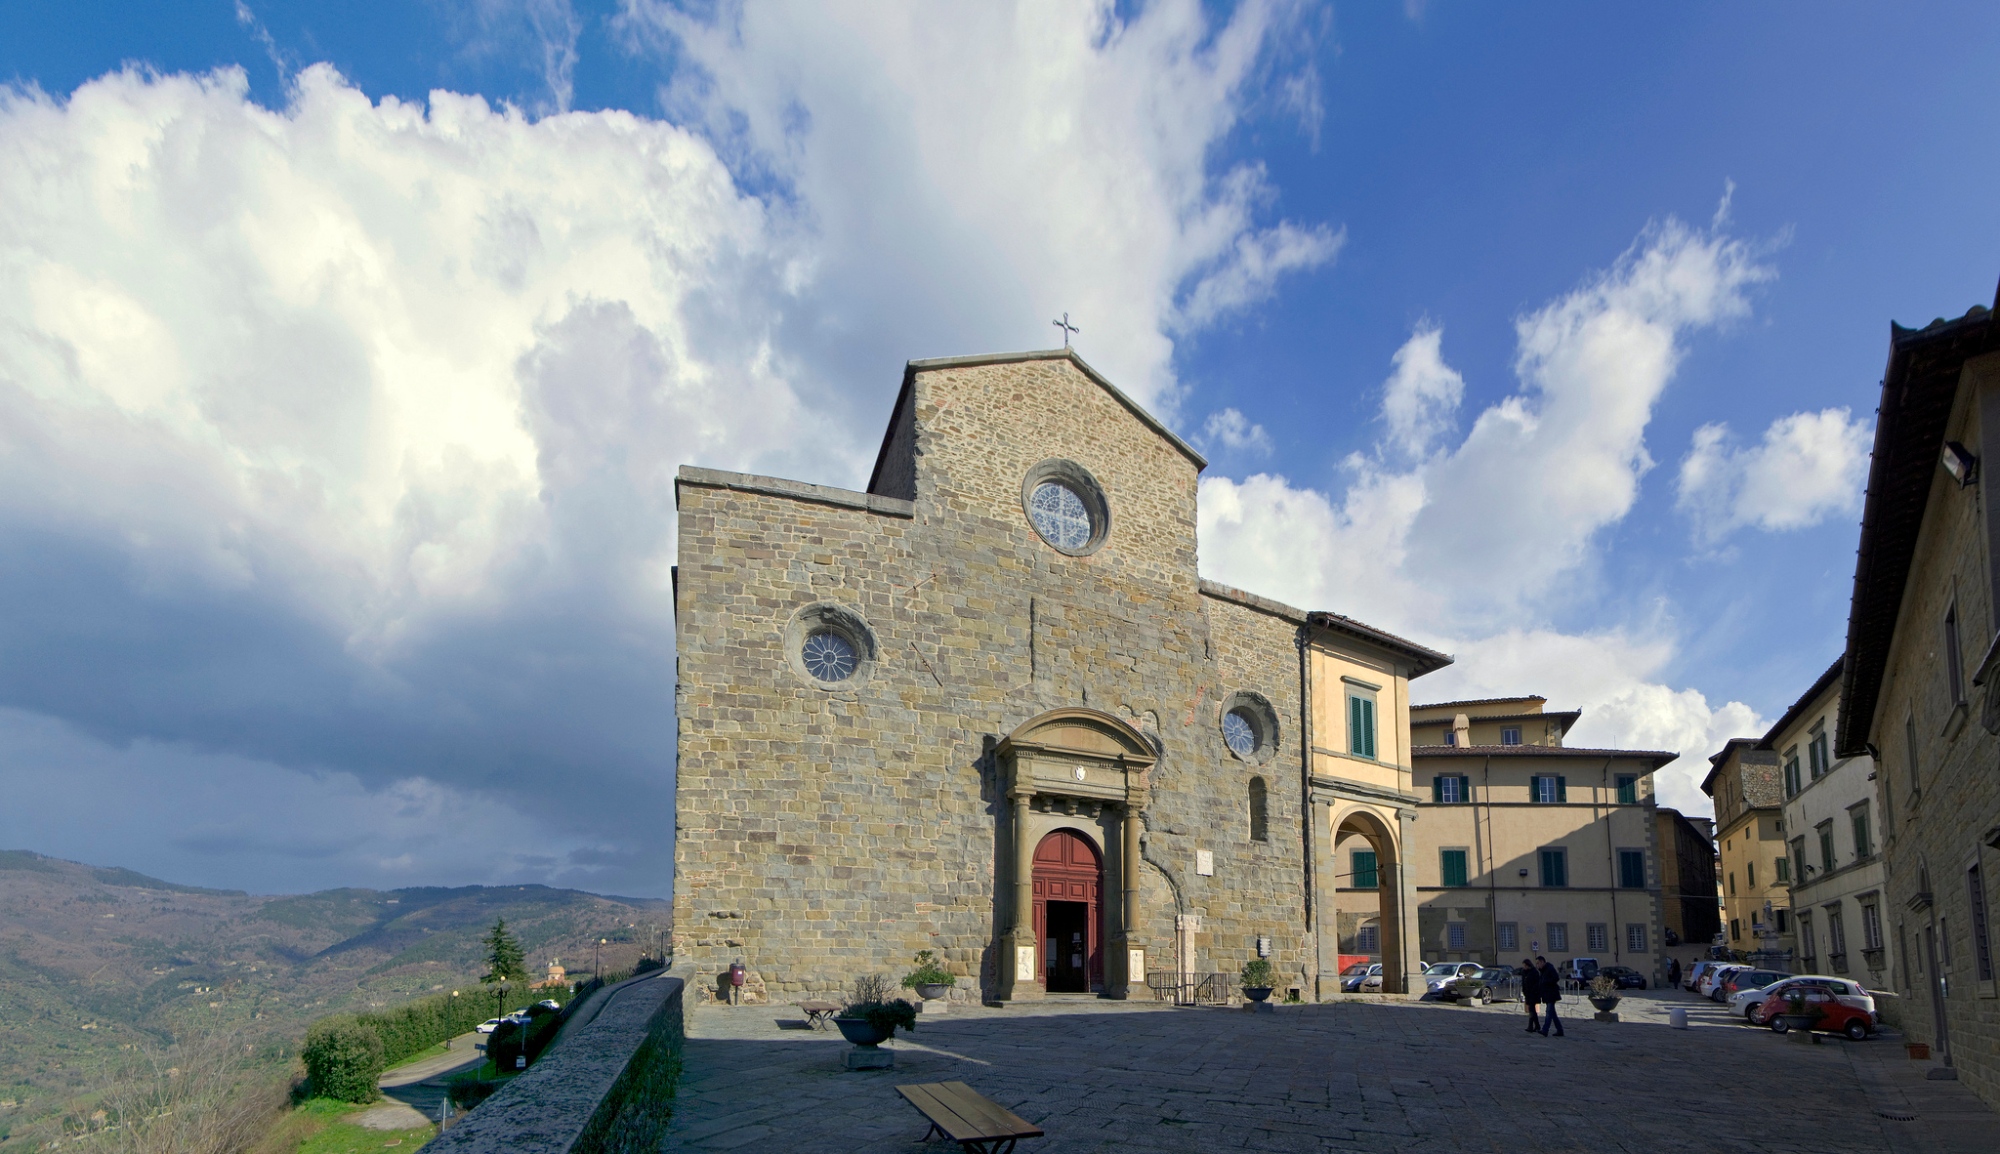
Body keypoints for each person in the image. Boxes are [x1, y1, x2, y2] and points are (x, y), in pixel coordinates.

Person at [1534, 955, 1565, 1037]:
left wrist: (1546, 982)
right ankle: (1560, 1030)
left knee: (1548, 1012)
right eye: (1536, 964)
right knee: (1553, 1014)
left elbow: (1556, 978)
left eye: (1538, 963)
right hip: (1547, 994)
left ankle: (1545, 1030)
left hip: (1551, 994)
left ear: (1542, 962)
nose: (1537, 965)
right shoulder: (1542, 971)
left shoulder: (1549, 969)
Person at [1518, 957, 1541, 1033]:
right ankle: (1536, 1026)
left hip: (1533, 994)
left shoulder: (1534, 972)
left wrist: (1533, 991)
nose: (1524, 967)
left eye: (1525, 965)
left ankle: (1531, 1026)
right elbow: (1524, 982)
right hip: (1528, 993)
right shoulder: (1524, 972)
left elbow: (1536, 983)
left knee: (1532, 1010)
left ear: (1528, 965)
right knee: (1532, 1010)